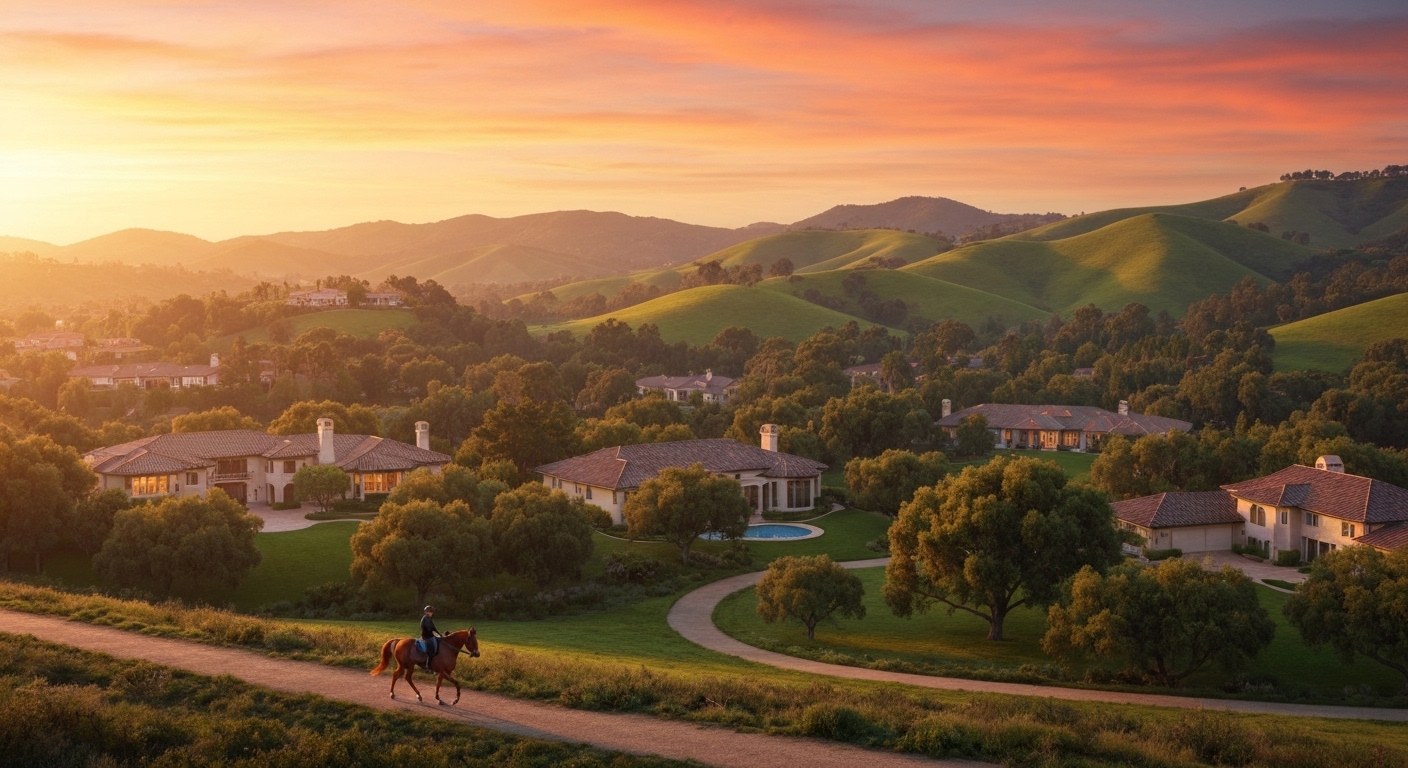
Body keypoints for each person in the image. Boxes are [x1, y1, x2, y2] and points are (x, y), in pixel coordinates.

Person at [417, 605, 442, 670]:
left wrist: (439, 634)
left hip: (429, 635)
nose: (431, 613)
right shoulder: (426, 619)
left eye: (431, 612)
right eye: (430, 612)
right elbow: (430, 628)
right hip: (427, 636)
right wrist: (437, 634)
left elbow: (433, 628)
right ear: (426, 612)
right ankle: (427, 665)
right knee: (433, 648)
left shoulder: (428, 619)